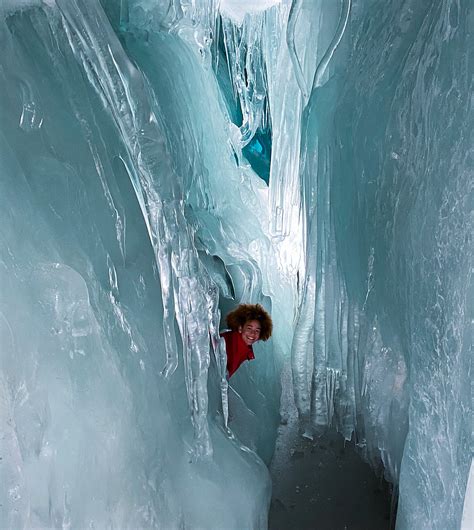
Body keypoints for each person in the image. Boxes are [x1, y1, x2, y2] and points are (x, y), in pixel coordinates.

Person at [221, 304, 273, 378]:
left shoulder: (242, 347)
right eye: (249, 328)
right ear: (240, 328)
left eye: (257, 331)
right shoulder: (231, 342)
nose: (253, 333)